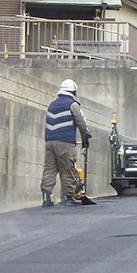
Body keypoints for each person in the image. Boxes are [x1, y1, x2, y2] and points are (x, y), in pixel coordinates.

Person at [40, 79, 91, 207]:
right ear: (73, 91)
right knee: (67, 169)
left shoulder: (52, 105)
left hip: (50, 143)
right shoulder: (73, 104)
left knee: (49, 169)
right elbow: (81, 123)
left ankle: (46, 198)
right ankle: (69, 197)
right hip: (64, 143)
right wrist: (85, 139)